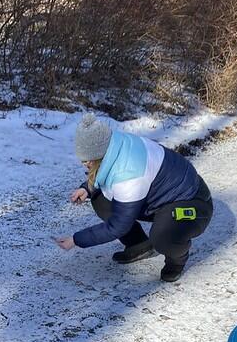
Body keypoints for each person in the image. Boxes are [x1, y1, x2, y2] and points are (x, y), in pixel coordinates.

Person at [55, 113, 213, 282]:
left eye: (88, 162)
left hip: (192, 201)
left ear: (99, 154)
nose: (85, 165)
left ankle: (177, 258)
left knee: (162, 237)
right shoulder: (114, 144)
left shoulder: (130, 174)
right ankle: (139, 245)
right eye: (83, 161)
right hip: (159, 196)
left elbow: (117, 226)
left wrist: (76, 240)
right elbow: (107, 172)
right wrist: (87, 188)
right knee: (100, 198)